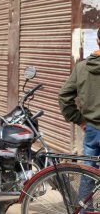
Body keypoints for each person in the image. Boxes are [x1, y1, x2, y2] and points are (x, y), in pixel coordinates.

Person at [58, 28, 100, 213]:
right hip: (90, 128)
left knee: (87, 173)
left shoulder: (82, 67)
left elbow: (64, 97)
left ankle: (84, 210)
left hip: (91, 129)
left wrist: (79, 120)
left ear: (97, 41)